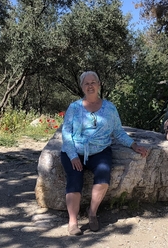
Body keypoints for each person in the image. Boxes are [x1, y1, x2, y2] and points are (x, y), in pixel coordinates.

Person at [60, 71, 149, 236]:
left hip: (100, 150)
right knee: (75, 178)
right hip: (75, 150)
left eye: (93, 82)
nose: (90, 86)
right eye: (86, 83)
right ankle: (73, 222)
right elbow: (66, 133)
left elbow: (118, 132)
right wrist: (72, 155)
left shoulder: (110, 108)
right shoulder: (74, 107)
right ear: (82, 87)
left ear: (99, 85)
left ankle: (92, 213)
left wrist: (134, 145)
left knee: (103, 176)